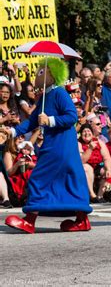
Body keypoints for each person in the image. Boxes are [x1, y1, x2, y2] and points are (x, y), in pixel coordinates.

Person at [4, 57, 92, 233]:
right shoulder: (45, 96)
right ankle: (82, 220)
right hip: (58, 146)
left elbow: (72, 117)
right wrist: (13, 132)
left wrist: (50, 120)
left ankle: (30, 220)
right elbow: (32, 122)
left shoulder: (59, 93)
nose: (37, 74)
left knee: (38, 178)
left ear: (51, 74)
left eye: (41, 71)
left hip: (59, 146)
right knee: (72, 180)